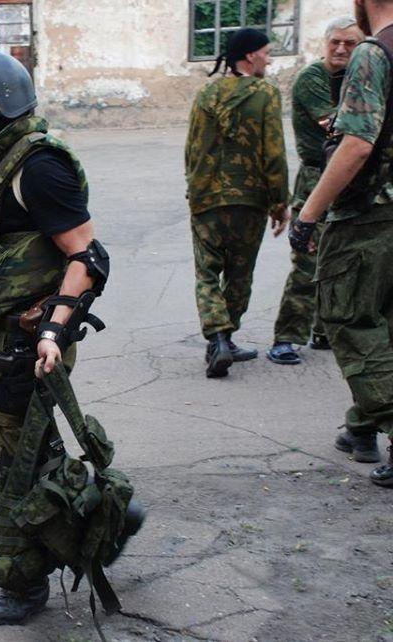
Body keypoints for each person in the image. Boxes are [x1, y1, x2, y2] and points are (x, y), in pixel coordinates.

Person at [0, 50, 109, 625]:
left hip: (33, 341)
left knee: (21, 462)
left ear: (1, 106)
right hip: (3, 337)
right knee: (19, 453)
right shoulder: (4, 163)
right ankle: (104, 523)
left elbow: (87, 255)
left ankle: (23, 583)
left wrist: (54, 330)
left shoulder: (37, 166)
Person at [290, 0, 393, 484]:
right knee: (385, 327)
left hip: (370, 214)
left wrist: (308, 215)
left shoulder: (374, 53)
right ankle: (360, 427)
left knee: (350, 319)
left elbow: (356, 144)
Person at [184, 28, 289, 378]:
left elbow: (193, 148)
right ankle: (224, 339)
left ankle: (217, 340)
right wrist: (279, 202)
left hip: (208, 198)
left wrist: (195, 189)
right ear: (249, 56)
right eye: (266, 52)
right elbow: (273, 152)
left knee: (207, 272)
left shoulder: (206, 92)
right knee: (240, 273)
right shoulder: (265, 94)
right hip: (249, 200)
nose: (269, 59)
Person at [268, 18, 364, 365]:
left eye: (349, 44)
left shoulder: (359, 78)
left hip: (352, 178)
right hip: (317, 178)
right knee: (308, 260)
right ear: (325, 44)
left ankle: (324, 331)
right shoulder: (312, 79)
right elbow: (339, 126)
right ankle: (287, 338)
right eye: (335, 42)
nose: (340, 49)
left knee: (342, 260)